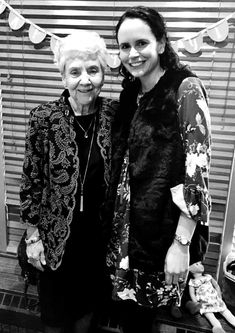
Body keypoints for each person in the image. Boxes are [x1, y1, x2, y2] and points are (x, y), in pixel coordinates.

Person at [105, 6, 211, 333]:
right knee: (127, 319)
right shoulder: (131, 94)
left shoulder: (185, 88)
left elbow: (196, 173)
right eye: (125, 46)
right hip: (126, 231)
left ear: (161, 44)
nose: (132, 54)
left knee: (142, 323)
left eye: (141, 43)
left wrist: (181, 245)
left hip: (160, 235)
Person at [19, 30, 118, 333]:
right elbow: (31, 180)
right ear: (63, 77)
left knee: (88, 319)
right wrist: (33, 237)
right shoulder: (43, 117)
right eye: (74, 71)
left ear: (103, 73)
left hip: (97, 243)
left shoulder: (116, 115)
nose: (84, 79)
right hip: (55, 239)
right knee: (55, 321)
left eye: (93, 69)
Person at [188, 262, 235, 333]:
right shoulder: (192, 282)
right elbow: (192, 294)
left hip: (215, 299)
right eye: (197, 264)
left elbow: (216, 286)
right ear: (190, 269)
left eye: (200, 263)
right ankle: (218, 328)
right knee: (210, 316)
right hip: (204, 303)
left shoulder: (208, 276)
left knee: (226, 312)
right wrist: (196, 304)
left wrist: (219, 296)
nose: (201, 265)